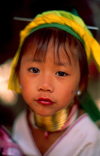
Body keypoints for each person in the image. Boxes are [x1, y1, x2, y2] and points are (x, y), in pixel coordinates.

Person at [8, 10, 100, 156]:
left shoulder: (88, 138)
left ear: (81, 83)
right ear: (18, 75)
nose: (45, 86)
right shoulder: (20, 125)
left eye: (61, 73)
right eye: (34, 69)